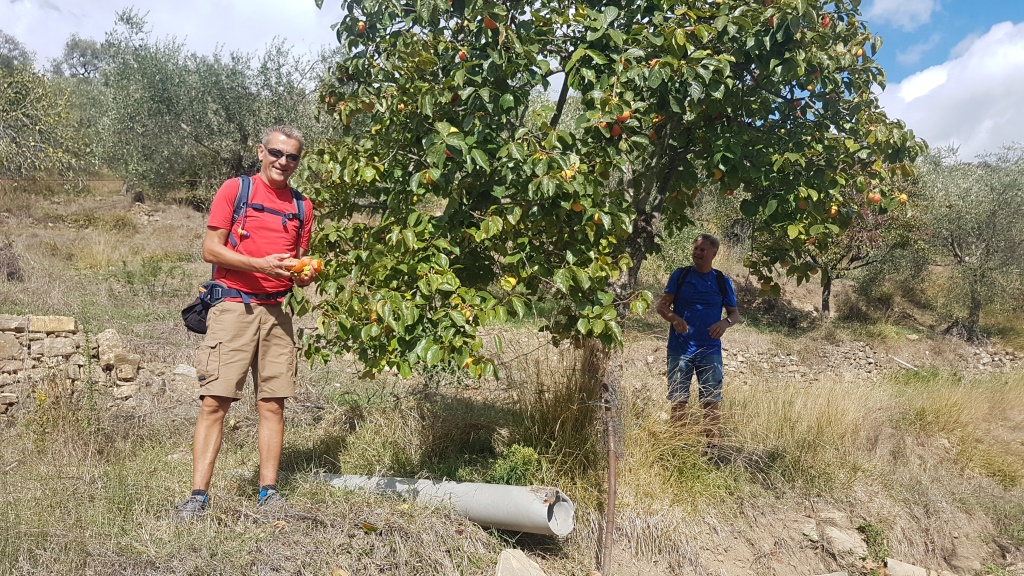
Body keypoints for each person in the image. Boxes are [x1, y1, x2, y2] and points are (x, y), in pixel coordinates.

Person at [175, 125, 316, 520]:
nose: (283, 162)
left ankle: (268, 493)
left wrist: (302, 274)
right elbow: (210, 249)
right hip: (234, 307)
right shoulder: (236, 190)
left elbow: (297, 261)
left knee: (273, 404)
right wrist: (259, 264)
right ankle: (198, 498)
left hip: (277, 312)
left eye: (292, 157)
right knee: (215, 402)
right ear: (261, 152)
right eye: (276, 153)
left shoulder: (303, 207)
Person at [655, 233, 740, 450]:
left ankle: (712, 449)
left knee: (711, 402)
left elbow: (734, 314)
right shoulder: (680, 275)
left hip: (710, 350)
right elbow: (662, 307)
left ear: (714, 254)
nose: (697, 253)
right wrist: (674, 318)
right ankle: (677, 447)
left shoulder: (722, 281)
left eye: (703, 250)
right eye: (695, 249)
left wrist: (725, 323)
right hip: (679, 349)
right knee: (678, 401)